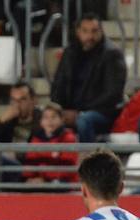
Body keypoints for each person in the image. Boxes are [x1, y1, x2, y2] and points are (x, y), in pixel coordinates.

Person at [49, 13, 126, 142]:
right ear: (78, 32)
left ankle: (88, 159)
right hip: (72, 110)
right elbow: (58, 84)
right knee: (46, 117)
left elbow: (112, 94)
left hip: (102, 112)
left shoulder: (112, 54)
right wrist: (60, 109)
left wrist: (79, 112)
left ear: (101, 31)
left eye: (94, 31)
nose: (90, 36)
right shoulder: (70, 52)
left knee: (84, 120)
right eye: (85, 31)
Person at [22, 102, 79, 185]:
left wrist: (45, 180)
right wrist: (31, 178)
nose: (49, 121)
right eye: (46, 117)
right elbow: (30, 164)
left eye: (53, 117)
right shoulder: (36, 139)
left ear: (62, 119)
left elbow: (67, 169)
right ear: (41, 121)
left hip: (64, 182)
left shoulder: (69, 138)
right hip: (39, 182)